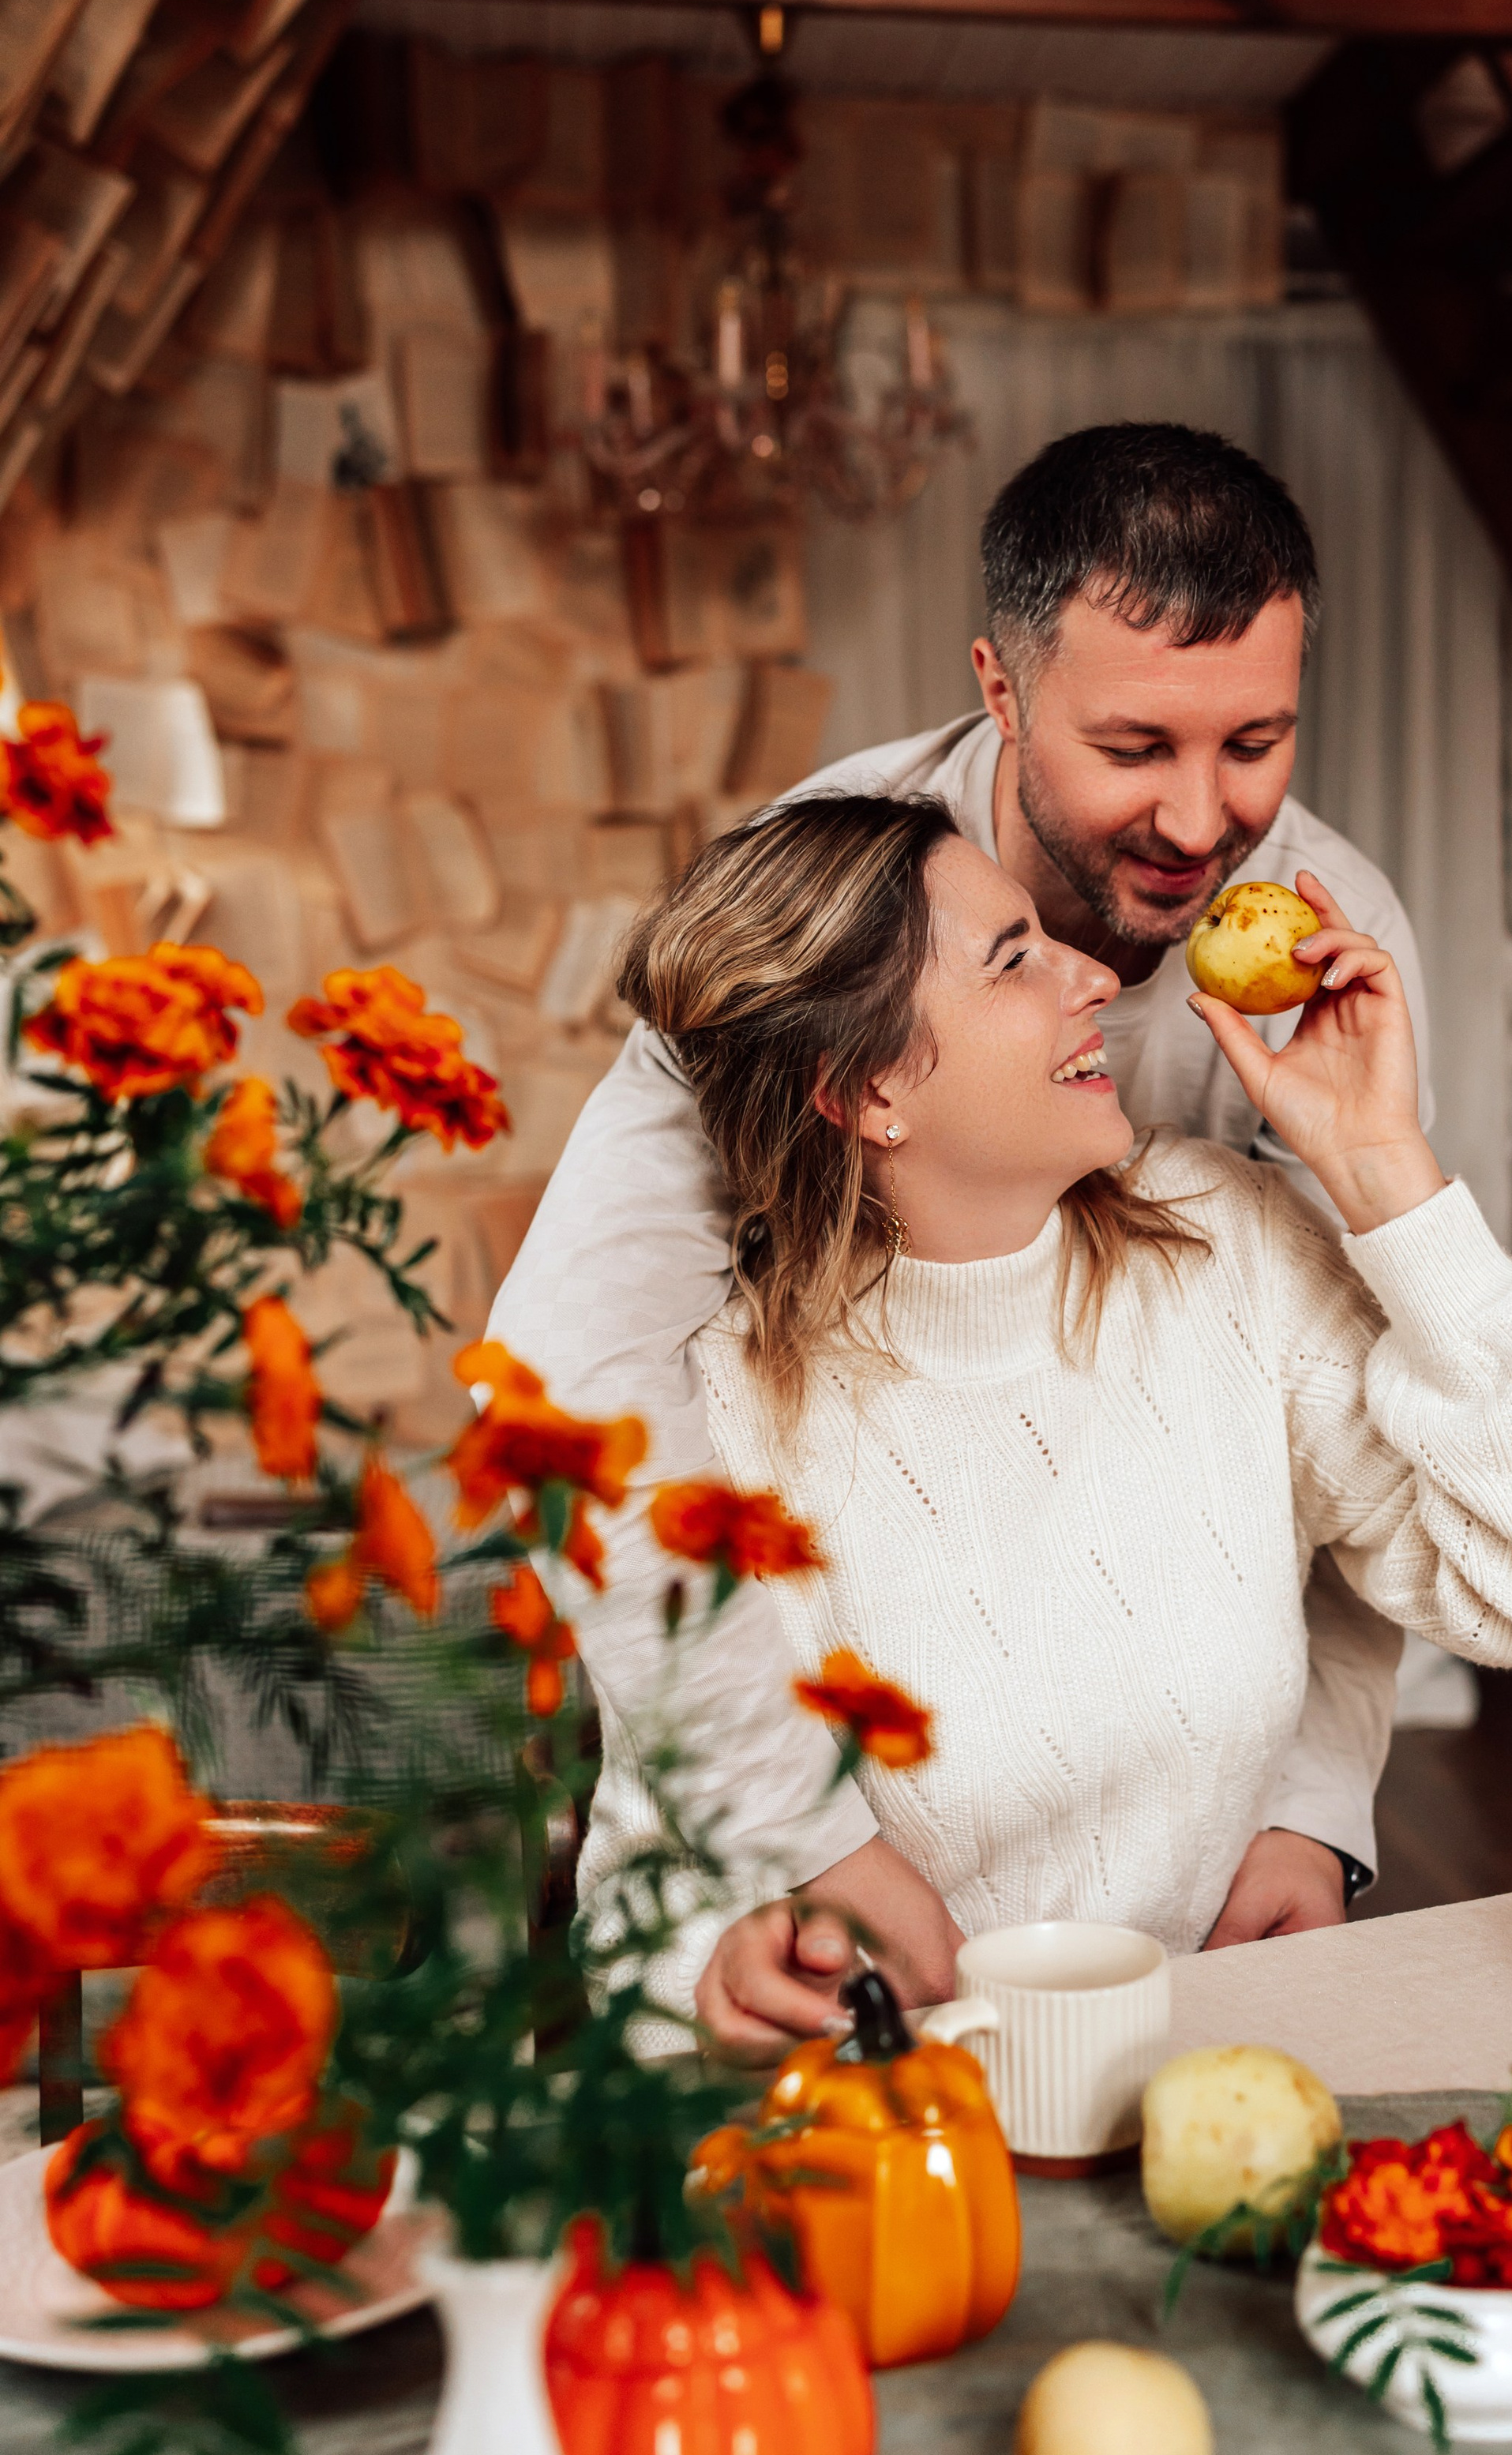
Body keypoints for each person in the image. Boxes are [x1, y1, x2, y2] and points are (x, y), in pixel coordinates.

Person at [493, 423, 1436, 1969]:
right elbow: (564, 1377)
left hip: (1158, 1798)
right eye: (1133, 749)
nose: (1200, 823)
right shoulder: (820, 908)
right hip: (835, 1743)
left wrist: (1312, 1797)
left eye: (1254, 743)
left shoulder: (1326, 937)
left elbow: (1355, 1402)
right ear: (999, 692)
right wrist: (794, 1830)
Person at [617, 790, 1512, 2061]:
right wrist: (727, 1969)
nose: (1098, 978)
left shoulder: (1227, 1247)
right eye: (1014, 959)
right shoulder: (713, 1412)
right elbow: (648, 1886)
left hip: (1202, 2080)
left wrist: (1386, 1172)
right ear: (866, 1089)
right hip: (898, 2121)